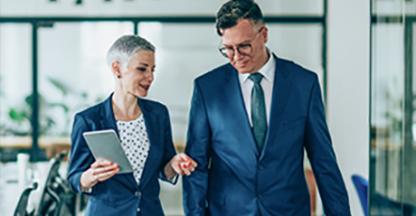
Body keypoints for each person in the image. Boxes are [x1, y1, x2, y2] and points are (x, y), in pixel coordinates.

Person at [183, 1, 351, 215]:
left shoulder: (303, 84)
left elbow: (323, 160)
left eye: (243, 46)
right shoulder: (207, 88)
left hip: (288, 210)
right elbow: (195, 164)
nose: (236, 56)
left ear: (263, 34)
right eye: (227, 49)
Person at [67, 35, 197, 216]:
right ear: (117, 69)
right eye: (142, 69)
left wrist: (175, 164)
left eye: (153, 69)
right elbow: (74, 178)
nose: (150, 77)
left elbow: (164, 169)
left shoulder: (158, 114)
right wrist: (90, 176)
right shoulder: (89, 120)